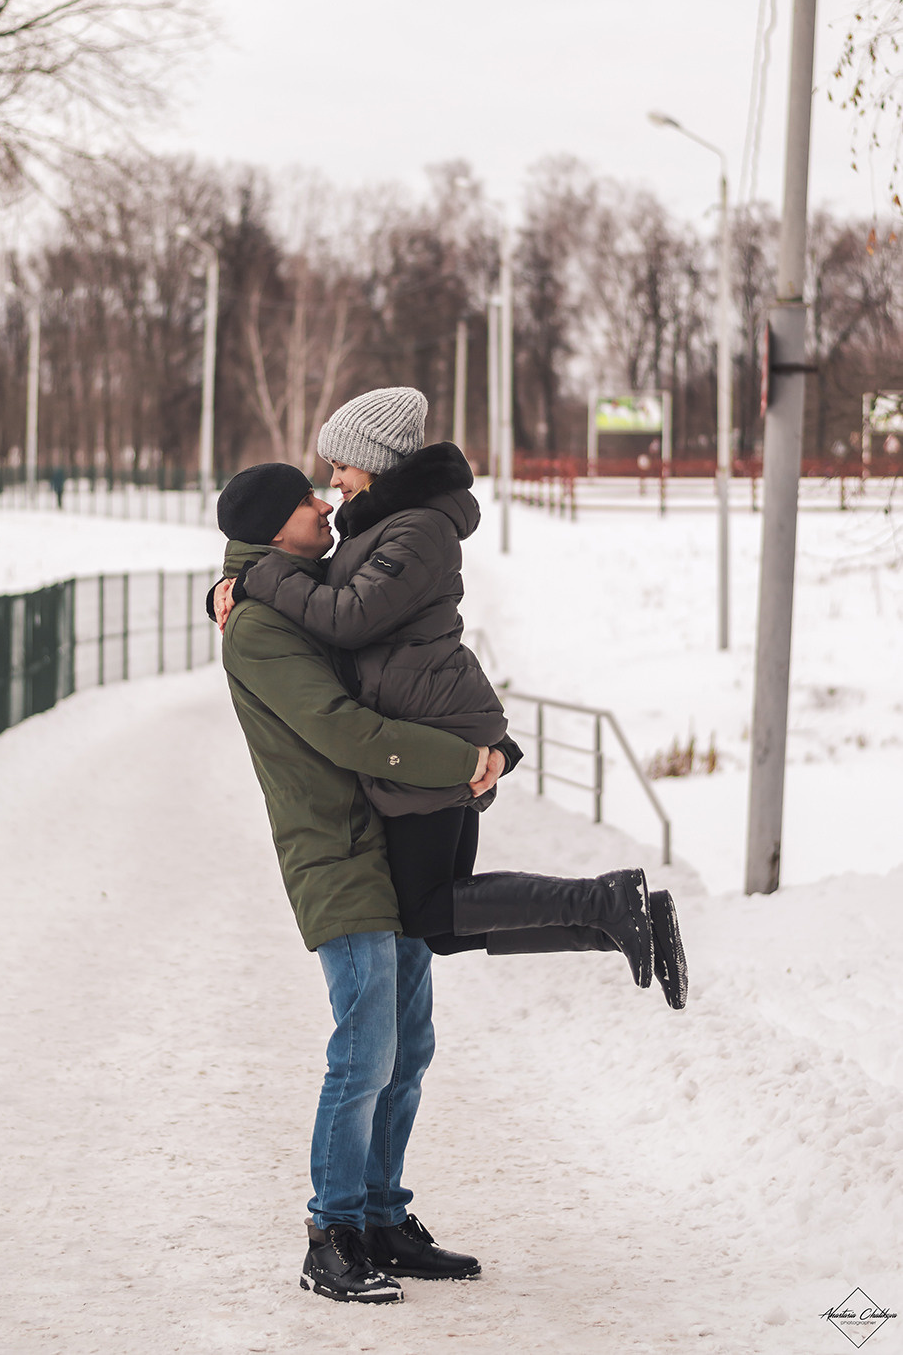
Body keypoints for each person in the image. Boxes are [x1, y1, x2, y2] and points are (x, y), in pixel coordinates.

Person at [213, 388, 687, 1012]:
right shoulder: (382, 526)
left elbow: (349, 616)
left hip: (430, 730)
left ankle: (609, 904)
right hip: (427, 723)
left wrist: (256, 576)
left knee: (433, 909)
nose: (333, 485)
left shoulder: (418, 530)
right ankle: (618, 918)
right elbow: (311, 588)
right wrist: (235, 581)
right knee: (437, 919)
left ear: (375, 461)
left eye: (342, 467)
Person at [215, 460, 493, 1305]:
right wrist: (463, 762)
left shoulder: (302, 585)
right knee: (365, 1046)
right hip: (333, 852)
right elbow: (341, 729)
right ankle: (329, 1233)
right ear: (272, 529)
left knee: (409, 1046)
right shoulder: (260, 625)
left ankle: (378, 1216)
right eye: (306, 500)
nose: (324, 503)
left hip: (383, 839)